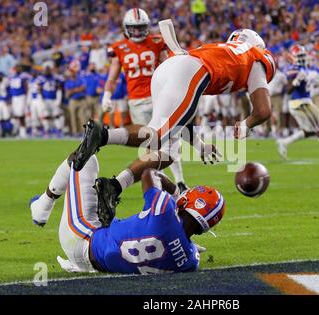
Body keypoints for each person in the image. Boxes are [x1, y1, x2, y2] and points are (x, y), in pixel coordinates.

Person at [32, 28, 275, 220]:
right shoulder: (256, 56)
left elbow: (183, 114)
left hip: (171, 67)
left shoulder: (224, 51)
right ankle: (103, 136)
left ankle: (114, 186)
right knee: (157, 135)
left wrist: (199, 145)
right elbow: (264, 110)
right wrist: (247, 124)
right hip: (191, 71)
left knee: (167, 152)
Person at [31, 149, 225, 274]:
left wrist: (176, 193)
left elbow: (150, 173)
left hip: (81, 237)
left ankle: (42, 206)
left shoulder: (165, 209)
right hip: (99, 262)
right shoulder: (190, 260)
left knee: (83, 158)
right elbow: (177, 241)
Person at [102, 8, 187, 192]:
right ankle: (158, 182)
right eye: (134, 28)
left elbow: (168, 67)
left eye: (141, 28)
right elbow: (112, 77)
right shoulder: (119, 48)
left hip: (159, 97)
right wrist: (106, 95)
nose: (138, 32)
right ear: (126, 28)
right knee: (151, 145)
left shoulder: (157, 42)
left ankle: (179, 181)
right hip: (137, 102)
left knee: (169, 139)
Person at [276, 45, 319, 161]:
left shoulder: (309, 70)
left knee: (310, 131)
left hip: (306, 101)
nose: (302, 58)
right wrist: (296, 81)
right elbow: (288, 90)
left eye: (303, 55)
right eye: (299, 56)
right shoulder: (293, 69)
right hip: (299, 103)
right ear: (293, 57)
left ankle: (284, 142)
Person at [9, 65, 29, 138]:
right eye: (16, 68)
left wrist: (27, 97)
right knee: (16, 114)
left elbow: (26, 87)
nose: (17, 69)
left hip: (21, 96)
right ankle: (17, 131)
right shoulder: (12, 76)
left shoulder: (23, 76)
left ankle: (23, 133)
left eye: (19, 67)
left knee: (21, 114)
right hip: (14, 97)